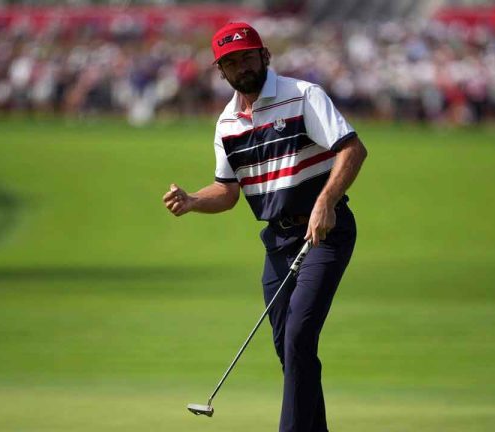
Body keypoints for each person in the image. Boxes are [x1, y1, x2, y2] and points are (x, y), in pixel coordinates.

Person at [162, 22, 367, 432]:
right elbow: (227, 190)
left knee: (298, 337)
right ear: (221, 71)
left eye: (247, 57)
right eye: (230, 62)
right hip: (278, 241)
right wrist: (193, 201)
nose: (241, 67)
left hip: (324, 232)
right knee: (288, 349)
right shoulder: (227, 125)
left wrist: (325, 201)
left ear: (264, 55)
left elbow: (352, 149)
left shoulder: (303, 95)